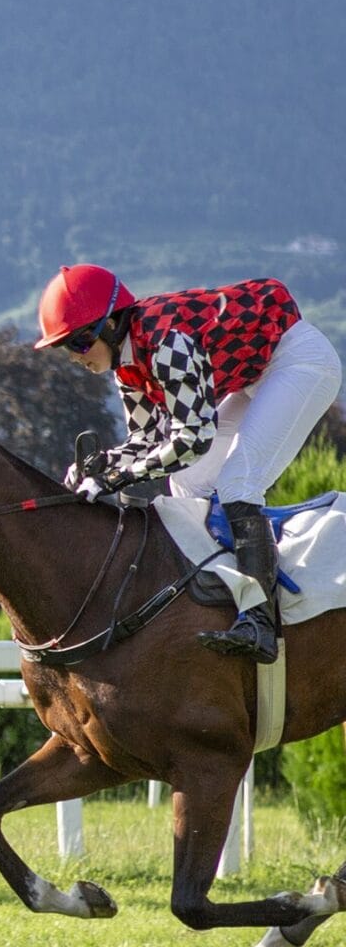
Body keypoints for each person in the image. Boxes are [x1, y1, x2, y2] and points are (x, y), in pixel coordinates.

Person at [34, 263, 342, 664]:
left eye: (76, 343)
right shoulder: (127, 366)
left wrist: (116, 478)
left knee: (238, 483)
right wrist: (100, 466)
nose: (75, 358)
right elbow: (146, 440)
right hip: (253, 377)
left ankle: (261, 622)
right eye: (65, 348)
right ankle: (217, 593)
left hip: (298, 363)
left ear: (109, 324)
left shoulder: (167, 344)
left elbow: (192, 439)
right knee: (188, 483)